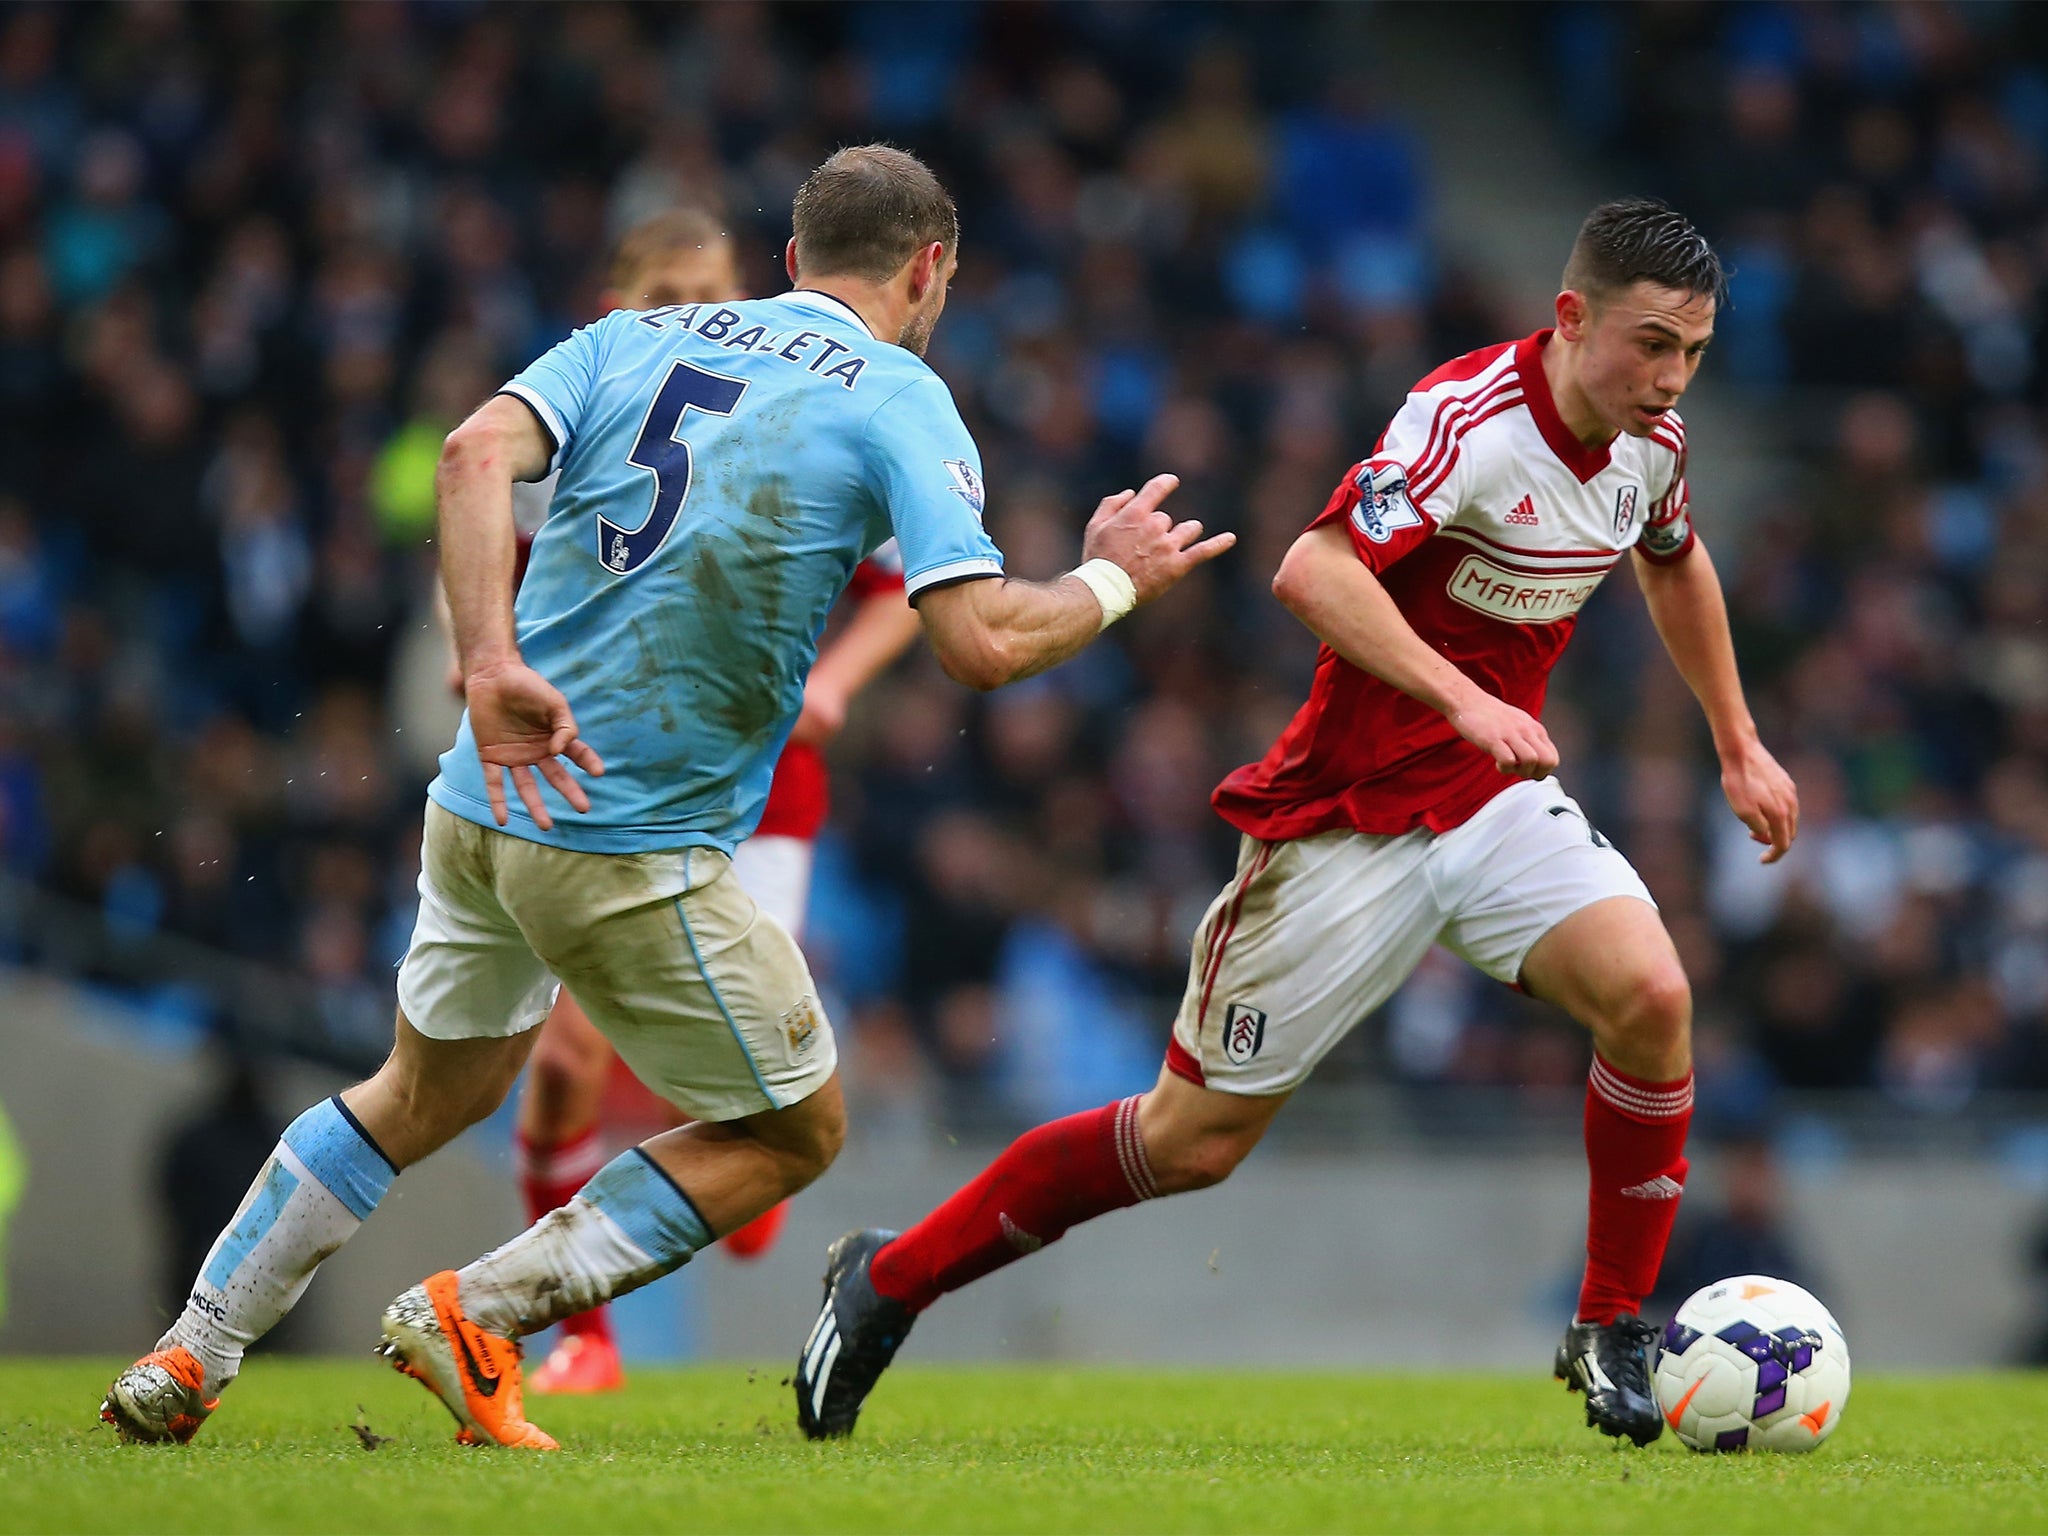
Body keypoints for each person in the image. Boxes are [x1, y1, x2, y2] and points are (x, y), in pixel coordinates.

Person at [102, 144, 1232, 1451]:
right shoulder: (902, 396)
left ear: (792, 259)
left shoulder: (630, 340)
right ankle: (480, 1308)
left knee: (420, 1090)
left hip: (484, 800)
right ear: (931, 271)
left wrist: (486, 664)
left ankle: (193, 1351)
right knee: (794, 1126)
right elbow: (978, 645)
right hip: (629, 840)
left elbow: (472, 455)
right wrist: (1114, 581)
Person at [792, 198, 1800, 1450]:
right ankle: (886, 1282)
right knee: (1189, 1143)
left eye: (1691, 352)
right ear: (1568, 316)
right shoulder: (1464, 424)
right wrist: (1462, 694)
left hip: (1490, 803)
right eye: (1649, 344)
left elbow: (1673, 556)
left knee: (1652, 998)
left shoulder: (1653, 441)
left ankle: (1612, 1324)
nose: (1668, 378)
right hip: (1347, 822)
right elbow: (1308, 570)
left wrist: (1737, 742)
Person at [506, 209, 922, 1398]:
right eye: (658, 297)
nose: (681, 316)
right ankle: (585, 1335)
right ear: (615, 300)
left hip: (760, 791)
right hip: (609, 777)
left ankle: (748, 1158)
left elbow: (903, 580)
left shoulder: (785, 407)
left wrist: (832, 686)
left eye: (703, 295)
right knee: (563, 1064)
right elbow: (488, 546)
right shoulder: (575, 416)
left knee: (740, 1082)